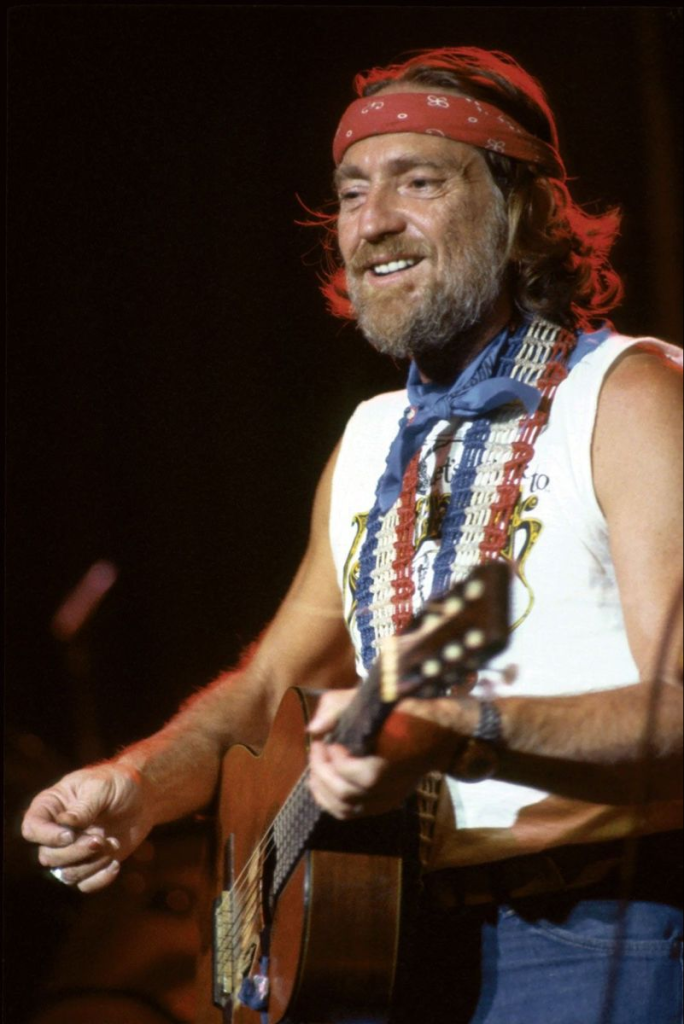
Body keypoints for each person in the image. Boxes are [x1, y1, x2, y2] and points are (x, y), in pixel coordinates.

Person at [22, 47, 683, 1024]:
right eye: (351, 192)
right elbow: (265, 691)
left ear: (526, 211)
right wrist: (138, 783)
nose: (372, 222)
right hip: (389, 954)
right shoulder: (371, 436)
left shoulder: (630, 397)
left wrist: (459, 730)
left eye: (419, 182)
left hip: (587, 936)